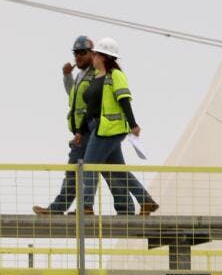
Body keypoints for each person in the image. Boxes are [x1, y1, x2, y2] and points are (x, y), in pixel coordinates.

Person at [79, 37, 159, 215]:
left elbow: (124, 99)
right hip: (99, 129)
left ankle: (85, 206)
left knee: (90, 165)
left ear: (103, 57)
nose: (93, 57)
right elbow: (91, 108)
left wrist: (133, 124)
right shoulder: (97, 77)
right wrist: (80, 132)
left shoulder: (116, 75)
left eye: (96, 54)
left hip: (108, 129)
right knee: (119, 172)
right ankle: (146, 201)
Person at [32, 35, 96, 214]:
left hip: (89, 130)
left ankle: (70, 208)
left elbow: (93, 104)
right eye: (76, 53)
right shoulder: (80, 76)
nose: (78, 57)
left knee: (83, 171)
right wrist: (67, 75)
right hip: (82, 131)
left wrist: (82, 131)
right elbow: (72, 95)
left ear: (92, 53)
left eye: (82, 53)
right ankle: (129, 207)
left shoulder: (95, 74)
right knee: (99, 171)